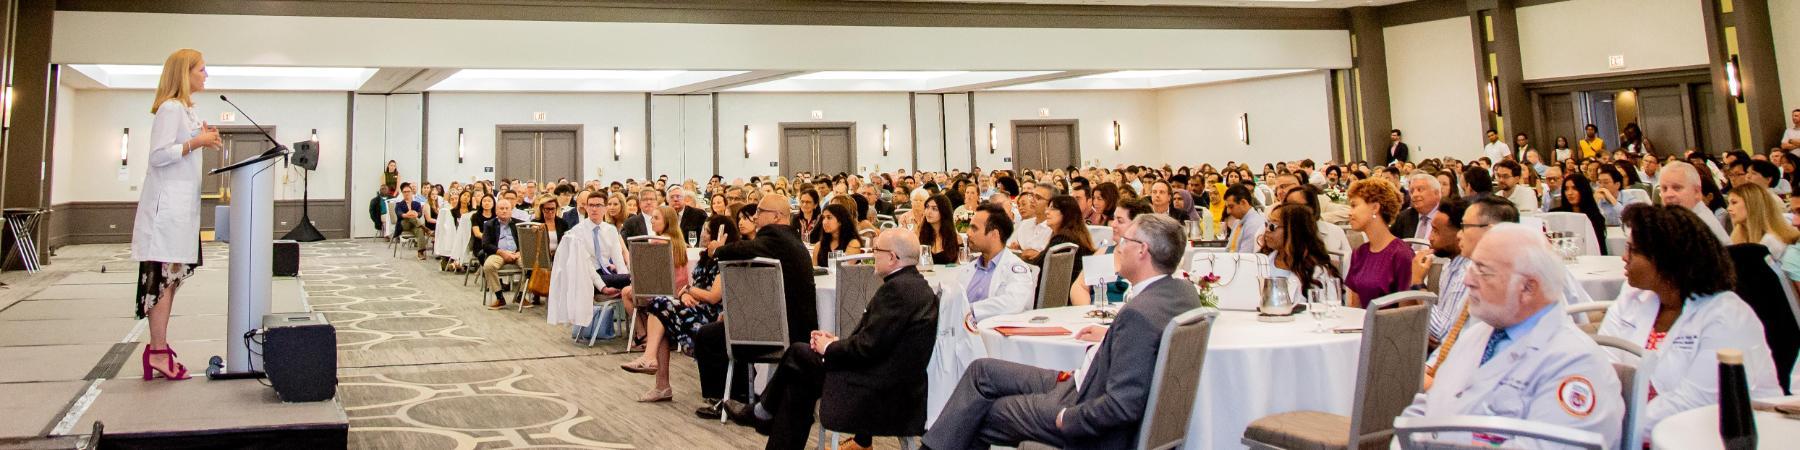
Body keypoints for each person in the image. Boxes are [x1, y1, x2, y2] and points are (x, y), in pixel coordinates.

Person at [923, 214, 1197, 449]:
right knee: (981, 371)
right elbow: (1143, 348)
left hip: (1086, 407)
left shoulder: (1139, 315)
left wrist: (1068, 418)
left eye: (1125, 241)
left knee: (979, 411)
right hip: (1082, 381)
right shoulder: (1180, 293)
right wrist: (1113, 336)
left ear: (1142, 251)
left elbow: (1123, 405)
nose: (1119, 247)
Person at [1396, 223, 1624, 449]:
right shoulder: (1478, 335)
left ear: (1527, 288)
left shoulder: (1575, 364)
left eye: (1483, 271)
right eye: (1471, 267)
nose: (1468, 280)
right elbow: (1427, 406)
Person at [737, 229, 939, 450]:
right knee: (799, 380)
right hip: (892, 386)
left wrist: (831, 347)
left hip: (877, 392)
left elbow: (867, 347)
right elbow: (878, 342)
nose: (872, 255)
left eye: (876, 250)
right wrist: (835, 342)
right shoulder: (914, 286)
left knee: (798, 355)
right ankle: (763, 413)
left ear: (892, 257)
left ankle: (762, 411)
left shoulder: (897, 291)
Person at [1600, 205, 1784, 442]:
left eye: (1633, 251)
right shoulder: (1634, 297)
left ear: (1666, 261)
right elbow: (1604, 366)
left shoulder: (1727, 316)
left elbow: (1697, 402)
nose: (1624, 258)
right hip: (1633, 428)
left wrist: (1613, 425)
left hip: (1716, 437)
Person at [131, 48, 221, 381]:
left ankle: (158, 346)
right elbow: (157, 156)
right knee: (162, 282)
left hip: (180, 212)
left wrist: (200, 137)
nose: (206, 75)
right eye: (201, 69)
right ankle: (157, 350)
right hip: (165, 213)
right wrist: (197, 141)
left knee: (170, 282)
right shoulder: (170, 108)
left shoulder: (185, 110)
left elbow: (183, 148)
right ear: (185, 73)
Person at [715, 195, 820, 421]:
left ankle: (728, 399)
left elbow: (737, 251)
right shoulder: (791, 238)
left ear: (776, 216)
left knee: (712, 336)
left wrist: (717, 249)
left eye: (759, 211)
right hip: (792, 325)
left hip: (782, 331)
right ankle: (755, 405)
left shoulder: (775, 237)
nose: (755, 216)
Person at [638, 215, 737, 405]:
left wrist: (688, 290)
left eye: (708, 231)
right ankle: (657, 375)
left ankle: (655, 372)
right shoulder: (704, 257)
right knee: (660, 309)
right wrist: (685, 295)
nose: (704, 235)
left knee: (660, 306)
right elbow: (694, 288)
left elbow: (713, 296)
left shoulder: (724, 260)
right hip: (696, 309)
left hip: (711, 316)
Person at [546, 192, 630, 339]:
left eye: (598, 205)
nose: (594, 209)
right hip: (587, 277)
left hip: (607, 273)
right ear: (585, 207)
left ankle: (639, 330)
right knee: (635, 284)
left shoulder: (610, 230)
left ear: (604, 208)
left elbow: (618, 260)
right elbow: (586, 266)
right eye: (591, 205)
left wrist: (623, 278)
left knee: (634, 285)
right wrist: (602, 287)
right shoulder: (576, 232)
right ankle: (641, 333)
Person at [957, 204, 1038, 327]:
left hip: (994, 338)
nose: (968, 233)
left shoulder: (1015, 269)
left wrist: (968, 309)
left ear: (994, 234)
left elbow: (1013, 303)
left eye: (974, 229)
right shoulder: (969, 268)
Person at [1344, 178, 1414, 307]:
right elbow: (1354, 307)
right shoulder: (1359, 253)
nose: (1350, 213)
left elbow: (1407, 313)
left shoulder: (1401, 254)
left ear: (1375, 208)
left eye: (1354, 205)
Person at [1259, 204, 1341, 300]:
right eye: (1266, 224)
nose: (1267, 230)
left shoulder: (1317, 271)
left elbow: (1329, 309)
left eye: (1272, 226)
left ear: (1294, 231)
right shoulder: (1261, 260)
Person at [1026, 196, 1098, 300]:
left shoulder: (1064, 239)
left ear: (1066, 213)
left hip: (1059, 298)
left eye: (1053, 209)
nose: (1047, 212)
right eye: (1048, 208)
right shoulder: (1075, 235)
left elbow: (1037, 267)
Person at [1658, 161, 1730, 241]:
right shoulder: (1680, 218)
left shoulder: (1700, 226)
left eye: (1677, 188)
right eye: (1664, 189)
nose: (1669, 194)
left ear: (1696, 192)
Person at [1727, 183, 1800, 258]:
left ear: (1752, 203)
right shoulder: (1740, 233)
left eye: (1734, 203)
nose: (1729, 208)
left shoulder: (1771, 240)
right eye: (1729, 203)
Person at [480, 198, 525, 309]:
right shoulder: (489, 225)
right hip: (498, 253)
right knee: (488, 266)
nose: (504, 211)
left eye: (506, 208)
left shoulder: (520, 224)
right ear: (496, 211)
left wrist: (519, 253)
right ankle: (499, 297)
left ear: (511, 211)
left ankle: (521, 295)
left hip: (517, 253)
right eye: (501, 208)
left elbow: (525, 242)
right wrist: (502, 253)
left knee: (530, 265)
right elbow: (485, 245)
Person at [1549, 174, 1608, 254]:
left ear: (1583, 190)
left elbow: (1600, 248)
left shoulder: (1595, 218)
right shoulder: (1556, 214)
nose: (1569, 193)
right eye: (1566, 189)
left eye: (1574, 188)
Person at [1390, 173, 1443, 240]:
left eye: (1420, 190)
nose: (1414, 195)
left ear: (1436, 193)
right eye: (1411, 191)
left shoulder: (1448, 216)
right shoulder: (1404, 217)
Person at [811, 203, 864, 267]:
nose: (824, 222)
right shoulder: (818, 246)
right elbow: (815, 272)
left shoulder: (853, 244)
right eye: (823, 218)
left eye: (829, 217)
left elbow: (845, 270)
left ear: (840, 221)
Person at [1222, 184, 1266, 253]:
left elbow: (1244, 258)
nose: (1228, 211)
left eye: (1231, 206)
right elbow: (1228, 250)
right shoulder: (1238, 222)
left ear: (1243, 202)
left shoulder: (1254, 225)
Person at [918, 194, 962, 264]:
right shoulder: (921, 235)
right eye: (927, 207)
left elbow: (961, 266)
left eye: (934, 209)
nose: (929, 212)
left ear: (944, 212)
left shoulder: (955, 238)